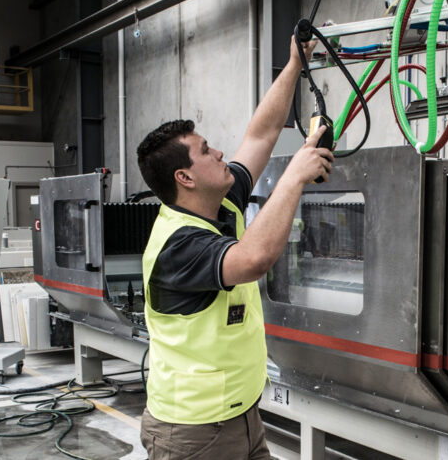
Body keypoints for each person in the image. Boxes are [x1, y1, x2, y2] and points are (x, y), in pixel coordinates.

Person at [135, 36, 333, 460]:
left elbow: (260, 135)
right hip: (191, 432)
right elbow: (253, 259)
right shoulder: (178, 244)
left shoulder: (221, 203)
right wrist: (293, 177)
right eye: (206, 151)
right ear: (185, 178)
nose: (220, 151)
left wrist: (295, 63)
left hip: (242, 416)